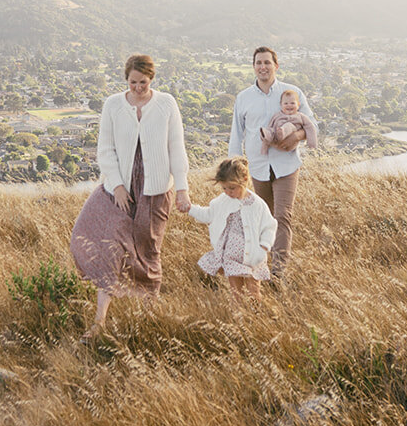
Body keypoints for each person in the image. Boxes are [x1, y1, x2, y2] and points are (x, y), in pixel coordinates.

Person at [70, 54, 190, 338]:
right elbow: (105, 150)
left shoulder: (166, 104)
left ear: (152, 79)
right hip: (118, 190)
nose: (138, 88)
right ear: (126, 79)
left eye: (143, 83)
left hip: (156, 191)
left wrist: (183, 189)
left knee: (148, 254)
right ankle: (98, 323)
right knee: (106, 246)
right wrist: (118, 186)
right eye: (133, 82)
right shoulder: (113, 104)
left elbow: (176, 147)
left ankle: (149, 318)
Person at [229, 45, 316, 279]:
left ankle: (279, 273)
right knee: (263, 218)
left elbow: (312, 124)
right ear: (253, 67)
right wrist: (233, 171)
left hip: (286, 165)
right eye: (259, 63)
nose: (263, 67)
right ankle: (261, 268)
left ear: (276, 66)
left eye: (267, 62)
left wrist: (297, 137)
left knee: (282, 216)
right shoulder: (244, 98)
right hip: (258, 168)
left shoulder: (292, 92)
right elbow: (236, 134)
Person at [189, 156, 277, 301]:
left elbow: (270, 226)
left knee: (253, 291)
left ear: (244, 180)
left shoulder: (257, 204)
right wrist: (190, 208)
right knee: (237, 293)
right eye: (224, 188)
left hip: (253, 256)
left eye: (232, 188)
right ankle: (240, 317)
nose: (228, 192)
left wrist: (264, 247)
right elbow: (208, 214)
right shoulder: (222, 201)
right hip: (230, 256)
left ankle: (256, 317)